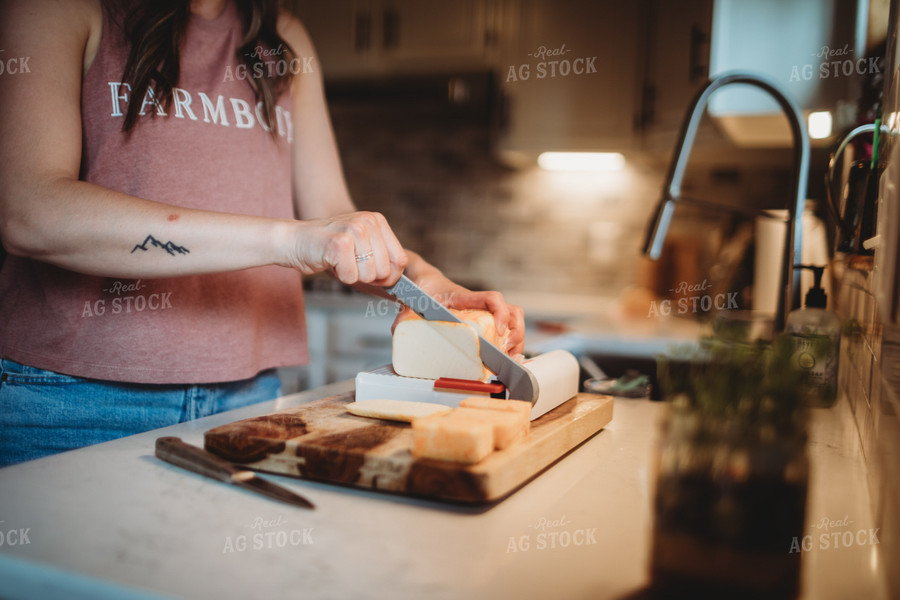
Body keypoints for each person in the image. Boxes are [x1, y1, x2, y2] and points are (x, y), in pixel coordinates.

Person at [0, 0, 525, 467]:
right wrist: (289, 239)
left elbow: (332, 216)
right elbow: (30, 212)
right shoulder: (59, 8)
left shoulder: (285, 36)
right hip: (68, 400)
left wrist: (426, 282)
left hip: (249, 396)